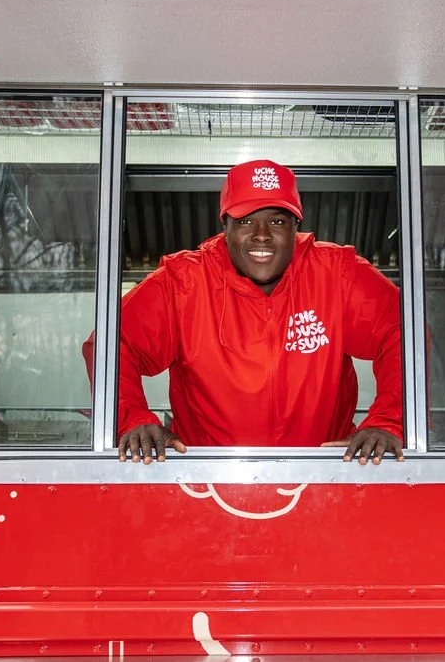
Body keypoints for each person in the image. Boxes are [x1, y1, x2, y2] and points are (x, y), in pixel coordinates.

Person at [84, 159, 403, 465]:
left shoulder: (336, 273)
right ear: (225, 227)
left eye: (277, 221)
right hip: (209, 485)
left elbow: (403, 333)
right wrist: (133, 419)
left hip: (325, 479)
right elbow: (109, 346)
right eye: (246, 221)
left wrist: (388, 421)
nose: (261, 234)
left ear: (296, 227)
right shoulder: (182, 283)